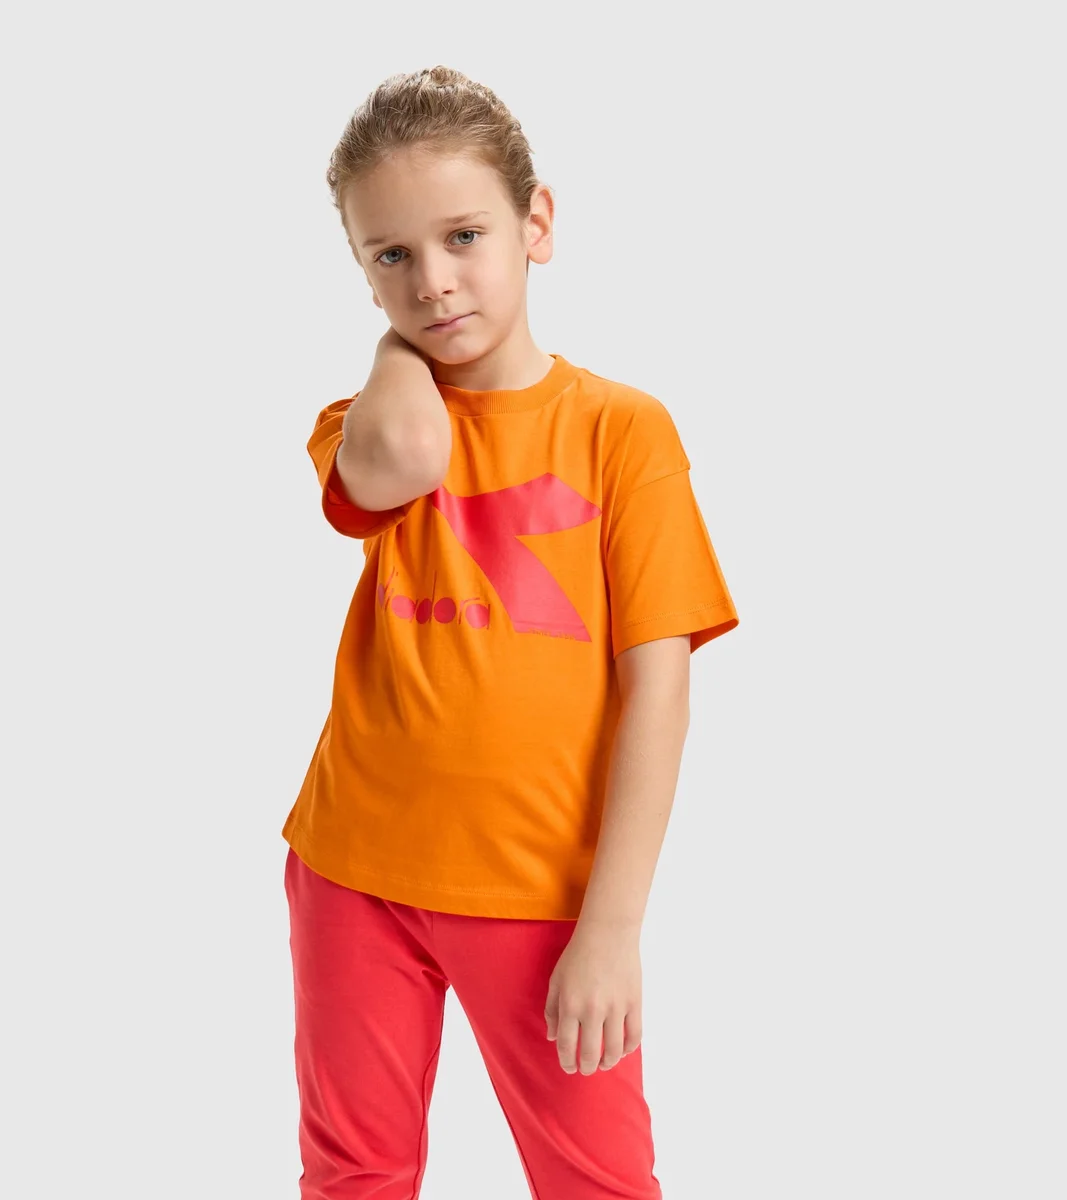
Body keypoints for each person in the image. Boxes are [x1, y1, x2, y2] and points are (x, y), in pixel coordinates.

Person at [281, 64, 740, 1199]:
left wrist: (612, 927)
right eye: (390, 256)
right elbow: (405, 460)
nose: (432, 280)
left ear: (536, 223)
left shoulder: (622, 431)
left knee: (595, 1180)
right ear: (360, 274)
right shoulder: (365, 421)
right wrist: (399, 348)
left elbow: (659, 687)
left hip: (541, 895)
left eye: (462, 237)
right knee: (353, 1175)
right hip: (352, 872)